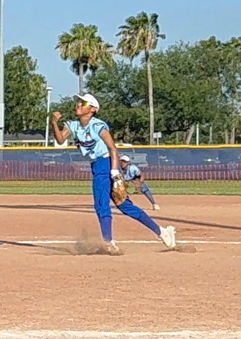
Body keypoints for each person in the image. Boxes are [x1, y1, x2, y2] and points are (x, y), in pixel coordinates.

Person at [51, 94, 175, 252]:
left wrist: (115, 173)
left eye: (83, 103)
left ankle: (108, 242)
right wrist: (54, 123)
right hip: (96, 165)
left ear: (93, 109)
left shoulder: (98, 126)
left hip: (106, 164)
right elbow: (61, 139)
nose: (78, 105)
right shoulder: (73, 125)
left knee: (103, 204)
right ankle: (162, 232)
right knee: (123, 205)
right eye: (78, 103)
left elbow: (113, 149)